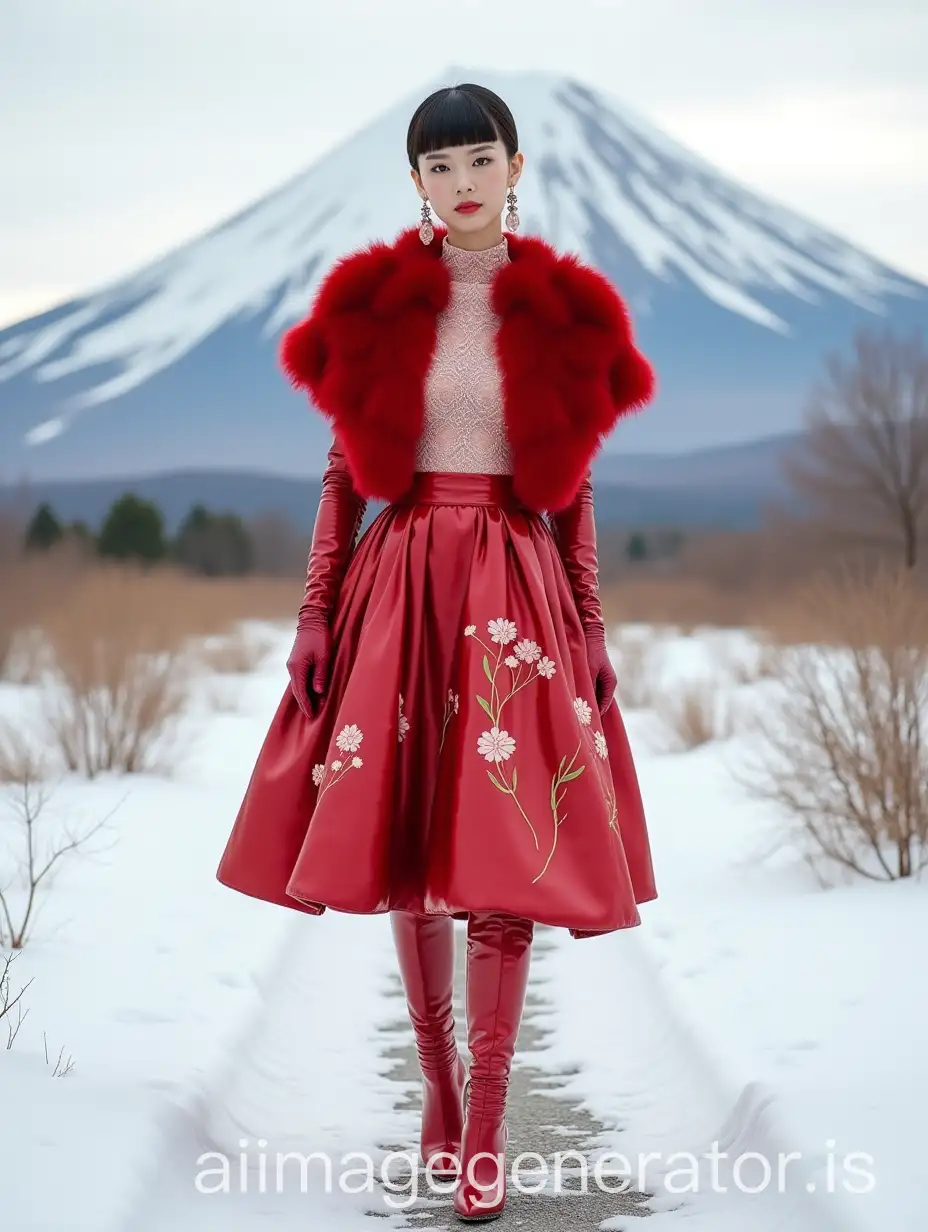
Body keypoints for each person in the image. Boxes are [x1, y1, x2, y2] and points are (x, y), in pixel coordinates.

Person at [216, 82, 658, 1222]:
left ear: (518, 166)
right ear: (414, 181)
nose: (461, 182)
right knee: (415, 846)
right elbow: (339, 475)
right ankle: (441, 1084)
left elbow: (572, 491)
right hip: (401, 584)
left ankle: (487, 1126)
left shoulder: (562, 310)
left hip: (515, 591)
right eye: (439, 164)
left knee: (503, 851)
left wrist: (591, 625)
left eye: (480, 159)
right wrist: (315, 613)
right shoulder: (374, 305)